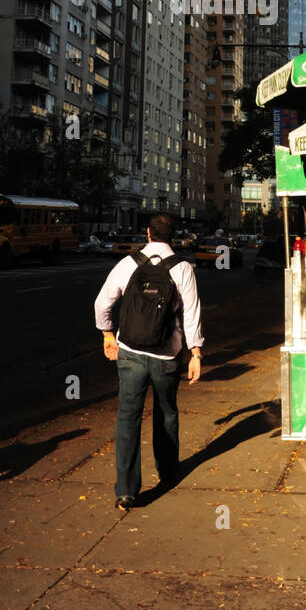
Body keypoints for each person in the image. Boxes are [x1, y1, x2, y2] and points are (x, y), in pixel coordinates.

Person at [94, 212, 203, 510]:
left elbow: (102, 303)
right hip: (167, 356)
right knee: (166, 413)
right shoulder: (182, 268)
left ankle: (127, 491)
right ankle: (167, 473)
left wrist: (107, 336)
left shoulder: (128, 264)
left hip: (130, 353)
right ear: (173, 236)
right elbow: (191, 314)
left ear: (148, 233)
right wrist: (195, 353)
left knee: (128, 417)